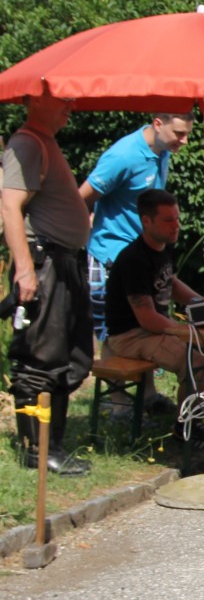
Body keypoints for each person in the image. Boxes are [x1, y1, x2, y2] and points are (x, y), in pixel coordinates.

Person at [2, 94, 93, 475]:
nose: (69, 108)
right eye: (62, 102)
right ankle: (36, 450)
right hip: (44, 264)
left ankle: (53, 442)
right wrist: (24, 269)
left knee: (74, 359)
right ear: (35, 102)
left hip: (64, 262)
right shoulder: (28, 143)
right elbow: (9, 205)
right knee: (40, 359)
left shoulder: (45, 143)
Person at [103, 189, 204, 409]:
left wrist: (202, 302)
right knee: (196, 361)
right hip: (131, 336)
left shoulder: (164, 247)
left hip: (155, 329)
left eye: (177, 218)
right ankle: (188, 426)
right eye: (168, 220)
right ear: (146, 222)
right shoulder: (134, 259)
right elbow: (147, 318)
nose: (176, 225)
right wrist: (185, 331)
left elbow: (172, 282)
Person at [81, 111, 193, 341]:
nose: (184, 141)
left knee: (147, 334)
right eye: (179, 133)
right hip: (111, 255)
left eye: (187, 134)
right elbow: (81, 198)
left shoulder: (162, 151)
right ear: (158, 124)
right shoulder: (123, 156)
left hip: (143, 256)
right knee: (114, 335)